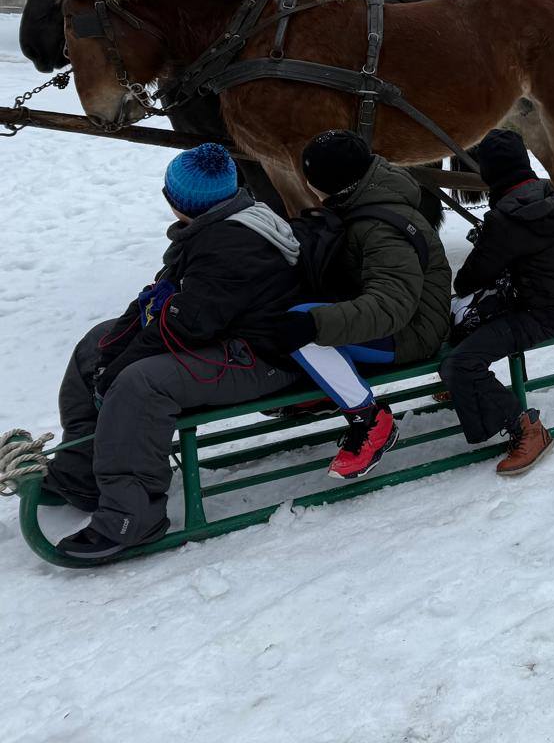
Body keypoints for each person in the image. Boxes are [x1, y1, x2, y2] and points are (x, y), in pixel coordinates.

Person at [43, 144, 305, 561]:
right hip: (231, 337)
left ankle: (132, 518)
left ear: (174, 200)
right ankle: (82, 472)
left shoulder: (230, 243)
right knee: (96, 344)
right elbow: (162, 302)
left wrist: (117, 369)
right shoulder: (219, 223)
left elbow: (186, 326)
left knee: (141, 384)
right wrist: (111, 352)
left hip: (263, 357)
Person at [262, 131, 452, 479]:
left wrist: (316, 324)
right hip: (398, 319)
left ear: (321, 184)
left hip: (413, 331)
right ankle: (327, 388)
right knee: (298, 313)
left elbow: (391, 306)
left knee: (303, 324)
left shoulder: (381, 228)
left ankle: (371, 421)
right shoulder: (362, 200)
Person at [441, 131, 554, 475]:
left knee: (459, 363)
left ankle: (528, 429)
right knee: (459, 333)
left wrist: (491, 247)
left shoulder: (503, 222)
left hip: (533, 316)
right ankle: (470, 392)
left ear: (489, 173)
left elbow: (467, 282)